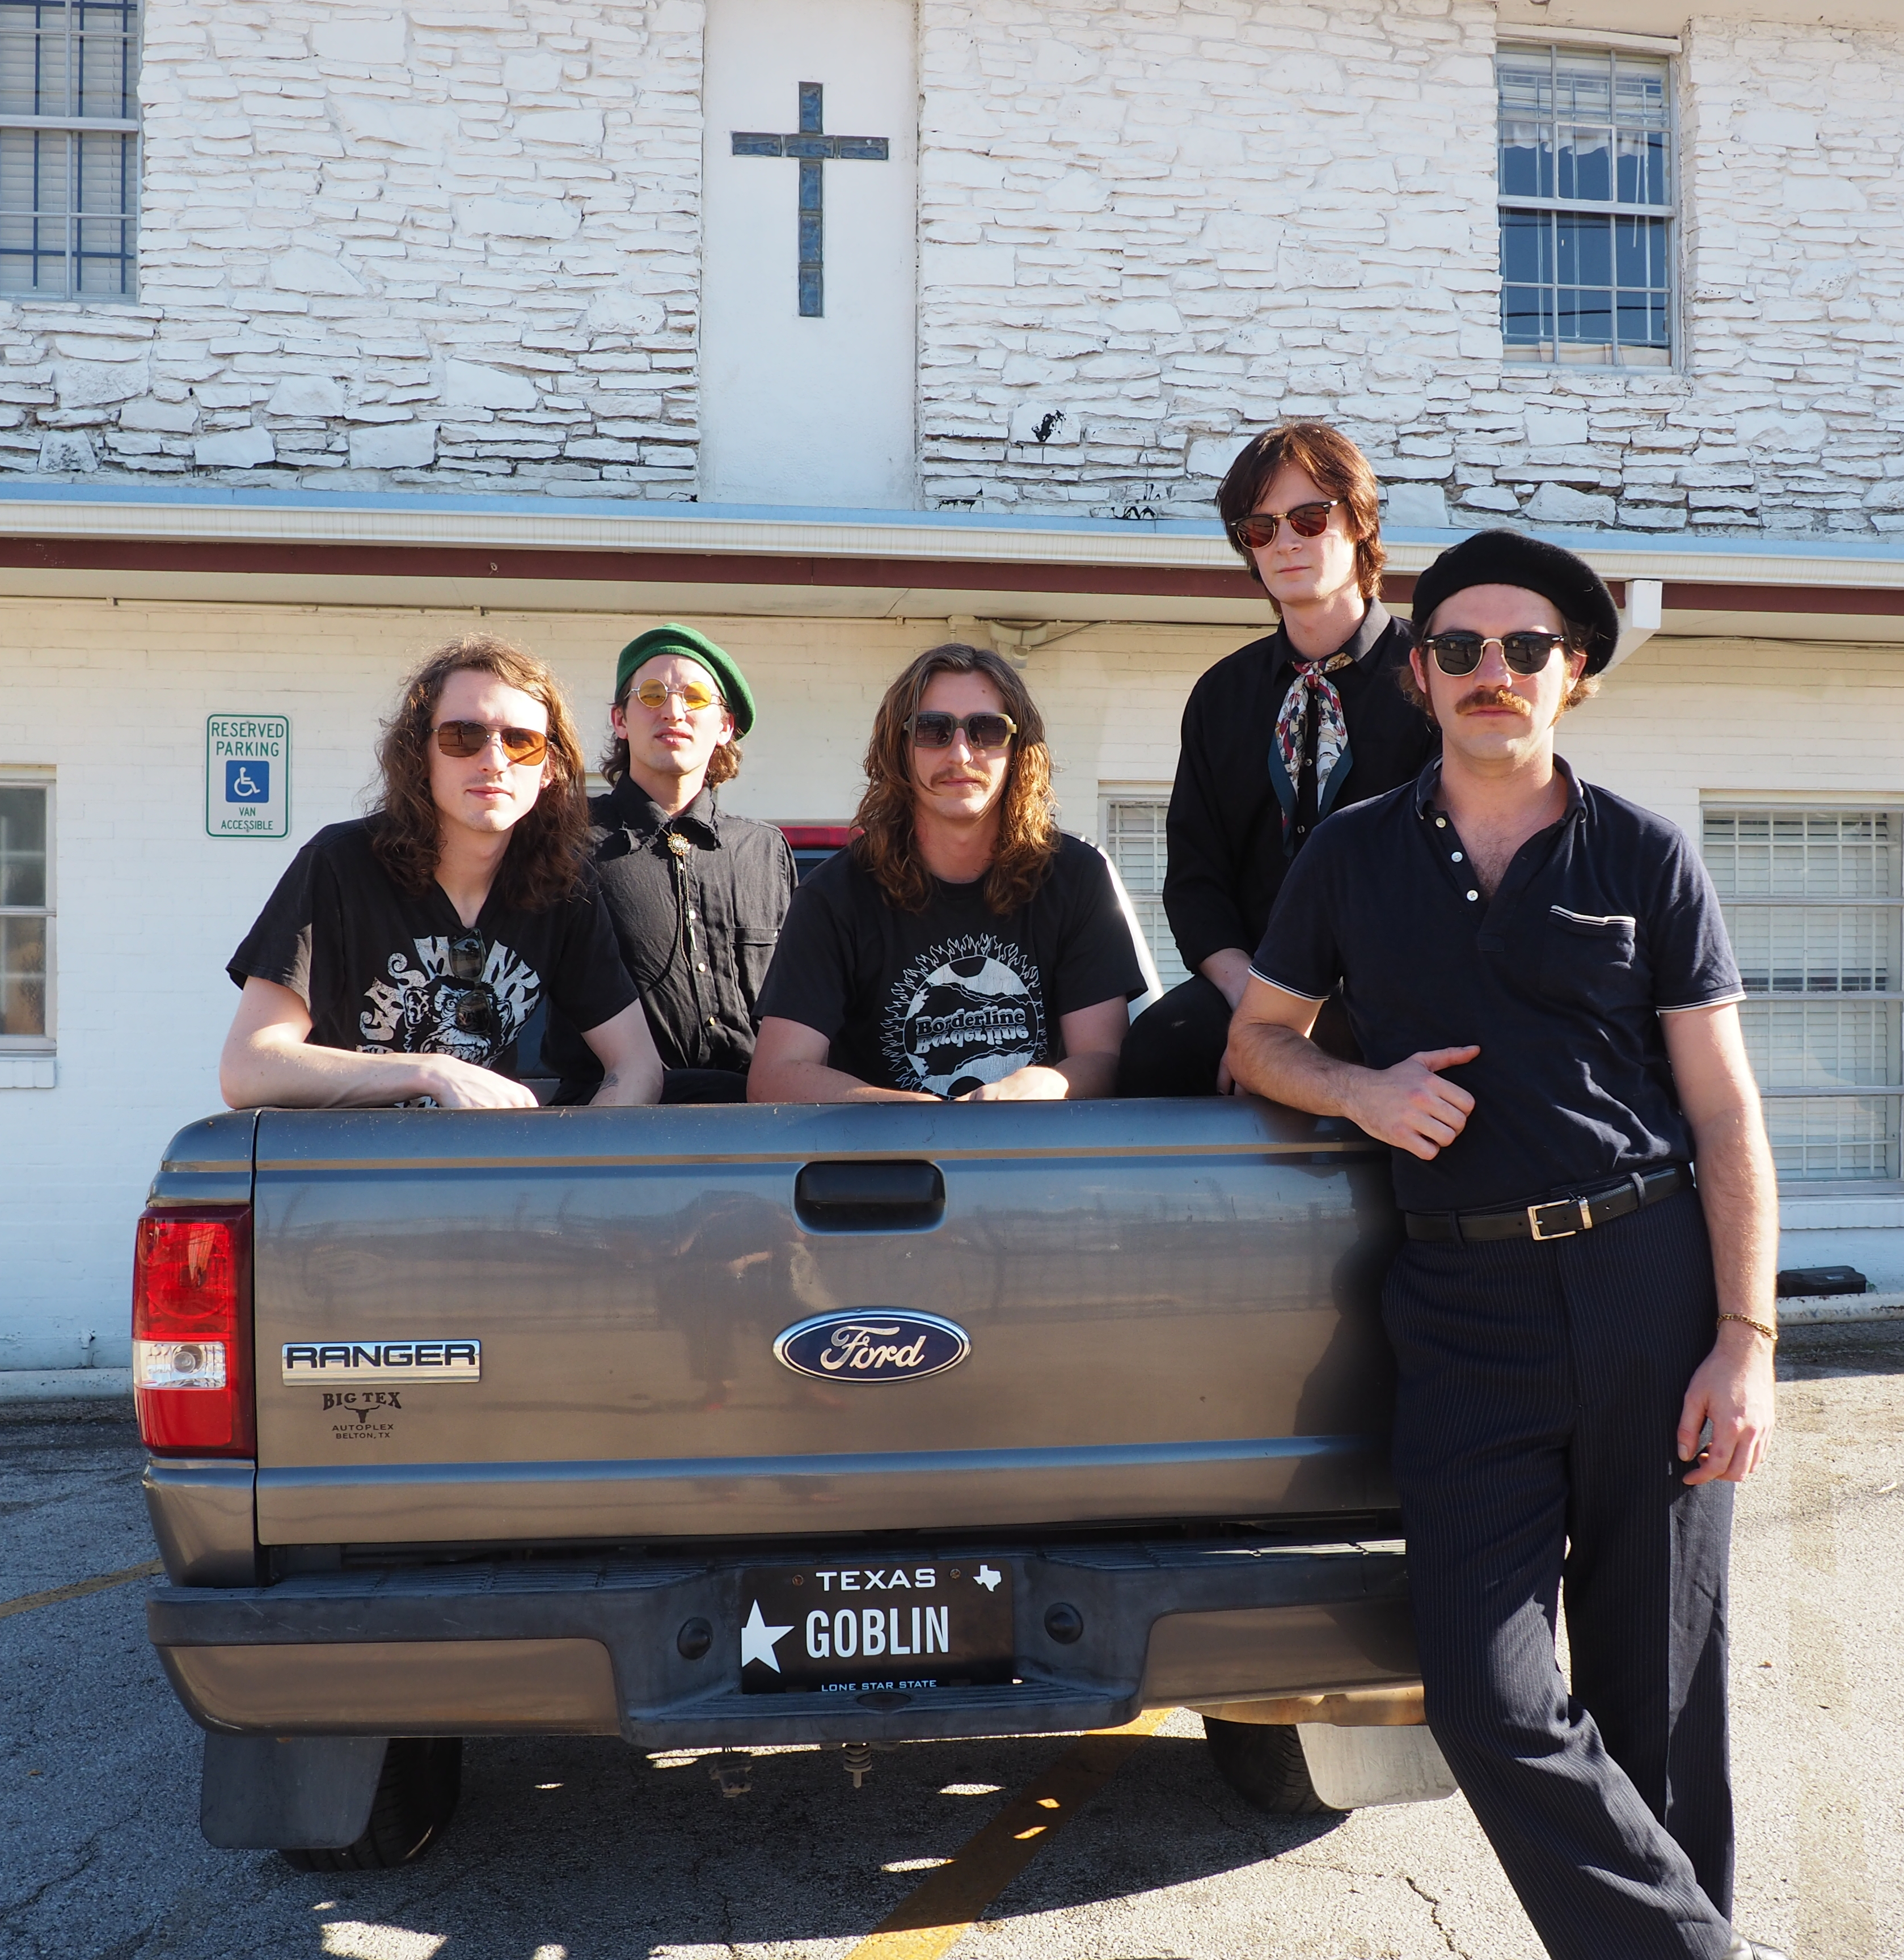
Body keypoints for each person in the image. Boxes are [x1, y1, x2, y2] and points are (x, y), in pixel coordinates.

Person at [1225, 530, 1786, 1960]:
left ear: (1572, 675)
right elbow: (1257, 1038)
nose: (1493, 671)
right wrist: (1361, 1086)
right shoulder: (1351, 855)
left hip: (1645, 1284)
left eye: (1524, 648)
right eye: (1462, 647)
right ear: (1419, 675)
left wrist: (1747, 1338)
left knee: (1659, 1703)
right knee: (1482, 1692)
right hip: (1463, 1303)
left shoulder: (1644, 853)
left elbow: (1724, 1113)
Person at [1117, 419, 1436, 1097]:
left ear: (1358, 523)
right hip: (1255, 983)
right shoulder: (1222, 697)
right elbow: (1196, 881)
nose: (1286, 541)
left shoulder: (1435, 678)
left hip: (1397, 988)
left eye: (1309, 517)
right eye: (1259, 529)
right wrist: (1255, 1013)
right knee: (1154, 1054)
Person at [221, 635, 663, 1110]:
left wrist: (577, 1169)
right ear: (420, 754)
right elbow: (248, 1067)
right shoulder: (339, 866)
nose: (494, 760)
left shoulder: (563, 885)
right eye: (463, 737)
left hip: (476, 1176)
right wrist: (430, 1072)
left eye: (521, 741)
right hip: (346, 1175)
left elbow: (637, 1065)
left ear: (549, 766)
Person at [749, 643, 1144, 1102]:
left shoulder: (1076, 878)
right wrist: (918, 1116)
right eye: (933, 730)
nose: (960, 754)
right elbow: (776, 1075)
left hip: (1037, 1163)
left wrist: (1043, 1086)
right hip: (889, 1169)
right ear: (899, 749)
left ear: (1019, 749)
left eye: (987, 730)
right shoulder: (833, 895)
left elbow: (1105, 1060)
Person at [540, 623, 796, 1103]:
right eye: (652, 694)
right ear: (620, 720)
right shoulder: (564, 839)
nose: (673, 710)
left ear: (724, 726)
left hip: (757, 1129)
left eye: (695, 697)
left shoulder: (765, 850)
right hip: (612, 1122)